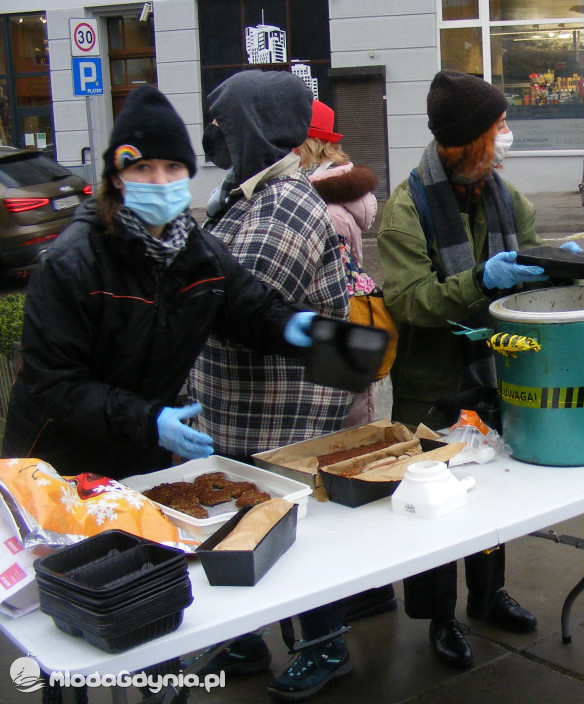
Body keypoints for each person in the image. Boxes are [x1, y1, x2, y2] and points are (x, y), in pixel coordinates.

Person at [0, 85, 317, 481]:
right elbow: (56, 384)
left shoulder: (199, 254)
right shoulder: (72, 263)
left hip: (139, 458)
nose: (159, 180)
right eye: (142, 168)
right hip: (53, 465)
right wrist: (149, 419)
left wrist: (296, 326)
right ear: (117, 177)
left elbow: (251, 309)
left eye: (172, 167)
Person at [378, 69, 572, 669]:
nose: (508, 134)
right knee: (436, 504)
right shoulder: (407, 208)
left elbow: (531, 268)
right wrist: (482, 280)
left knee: (491, 502)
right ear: (469, 139)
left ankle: (488, 597)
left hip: (496, 374)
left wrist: (554, 268)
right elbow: (410, 300)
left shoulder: (504, 197)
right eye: (500, 125)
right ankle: (439, 617)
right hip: (430, 386)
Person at [189, 71, 353, 701]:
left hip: (285, 410)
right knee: (245, 526)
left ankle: (325, 643)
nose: (214, 136)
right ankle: (250, 635)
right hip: (241, 406)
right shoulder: (244, 191)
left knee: (292, 532)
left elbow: (240, 300)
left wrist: (177, 254)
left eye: (221, 122)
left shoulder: (285, 200)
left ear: (252, 126)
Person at [298, 101, 401, 624]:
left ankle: (366, 586)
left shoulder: (322, 207)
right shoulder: (344, 197)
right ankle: (371, 585)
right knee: (353, 446)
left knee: (341, 460)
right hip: (349, 341)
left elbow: (329, 287)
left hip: (333, 343)